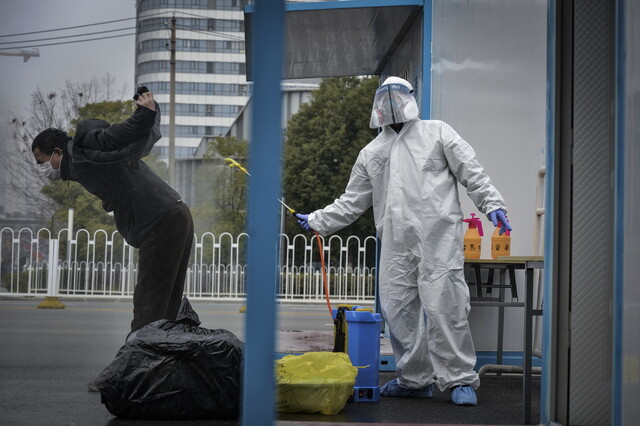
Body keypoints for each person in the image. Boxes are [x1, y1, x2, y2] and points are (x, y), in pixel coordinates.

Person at [294, 76, 512, 406]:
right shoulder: (371, 152)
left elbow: (471, 170)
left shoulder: (437, 132)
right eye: (385, 95)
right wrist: (317, 220)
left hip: (437, 239)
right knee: (398, 311)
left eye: (397, 95)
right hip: (395, 244)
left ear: (411, 97)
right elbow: (353, 200)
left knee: (446, 307)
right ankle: (414, 379)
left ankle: (459, 380)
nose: (392, 102)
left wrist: (492, 204)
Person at [31, 89, 194, 389]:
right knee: (164, 309)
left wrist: (144, 114)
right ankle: (162, 375)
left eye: (43, 162)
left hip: (163, 221)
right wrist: (149, 115)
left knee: (148, 306)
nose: (44, 170)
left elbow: (116, 136)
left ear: (56, 152)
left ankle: (128, 377)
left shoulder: (82, 147)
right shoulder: (80, 163)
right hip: (173, 215)